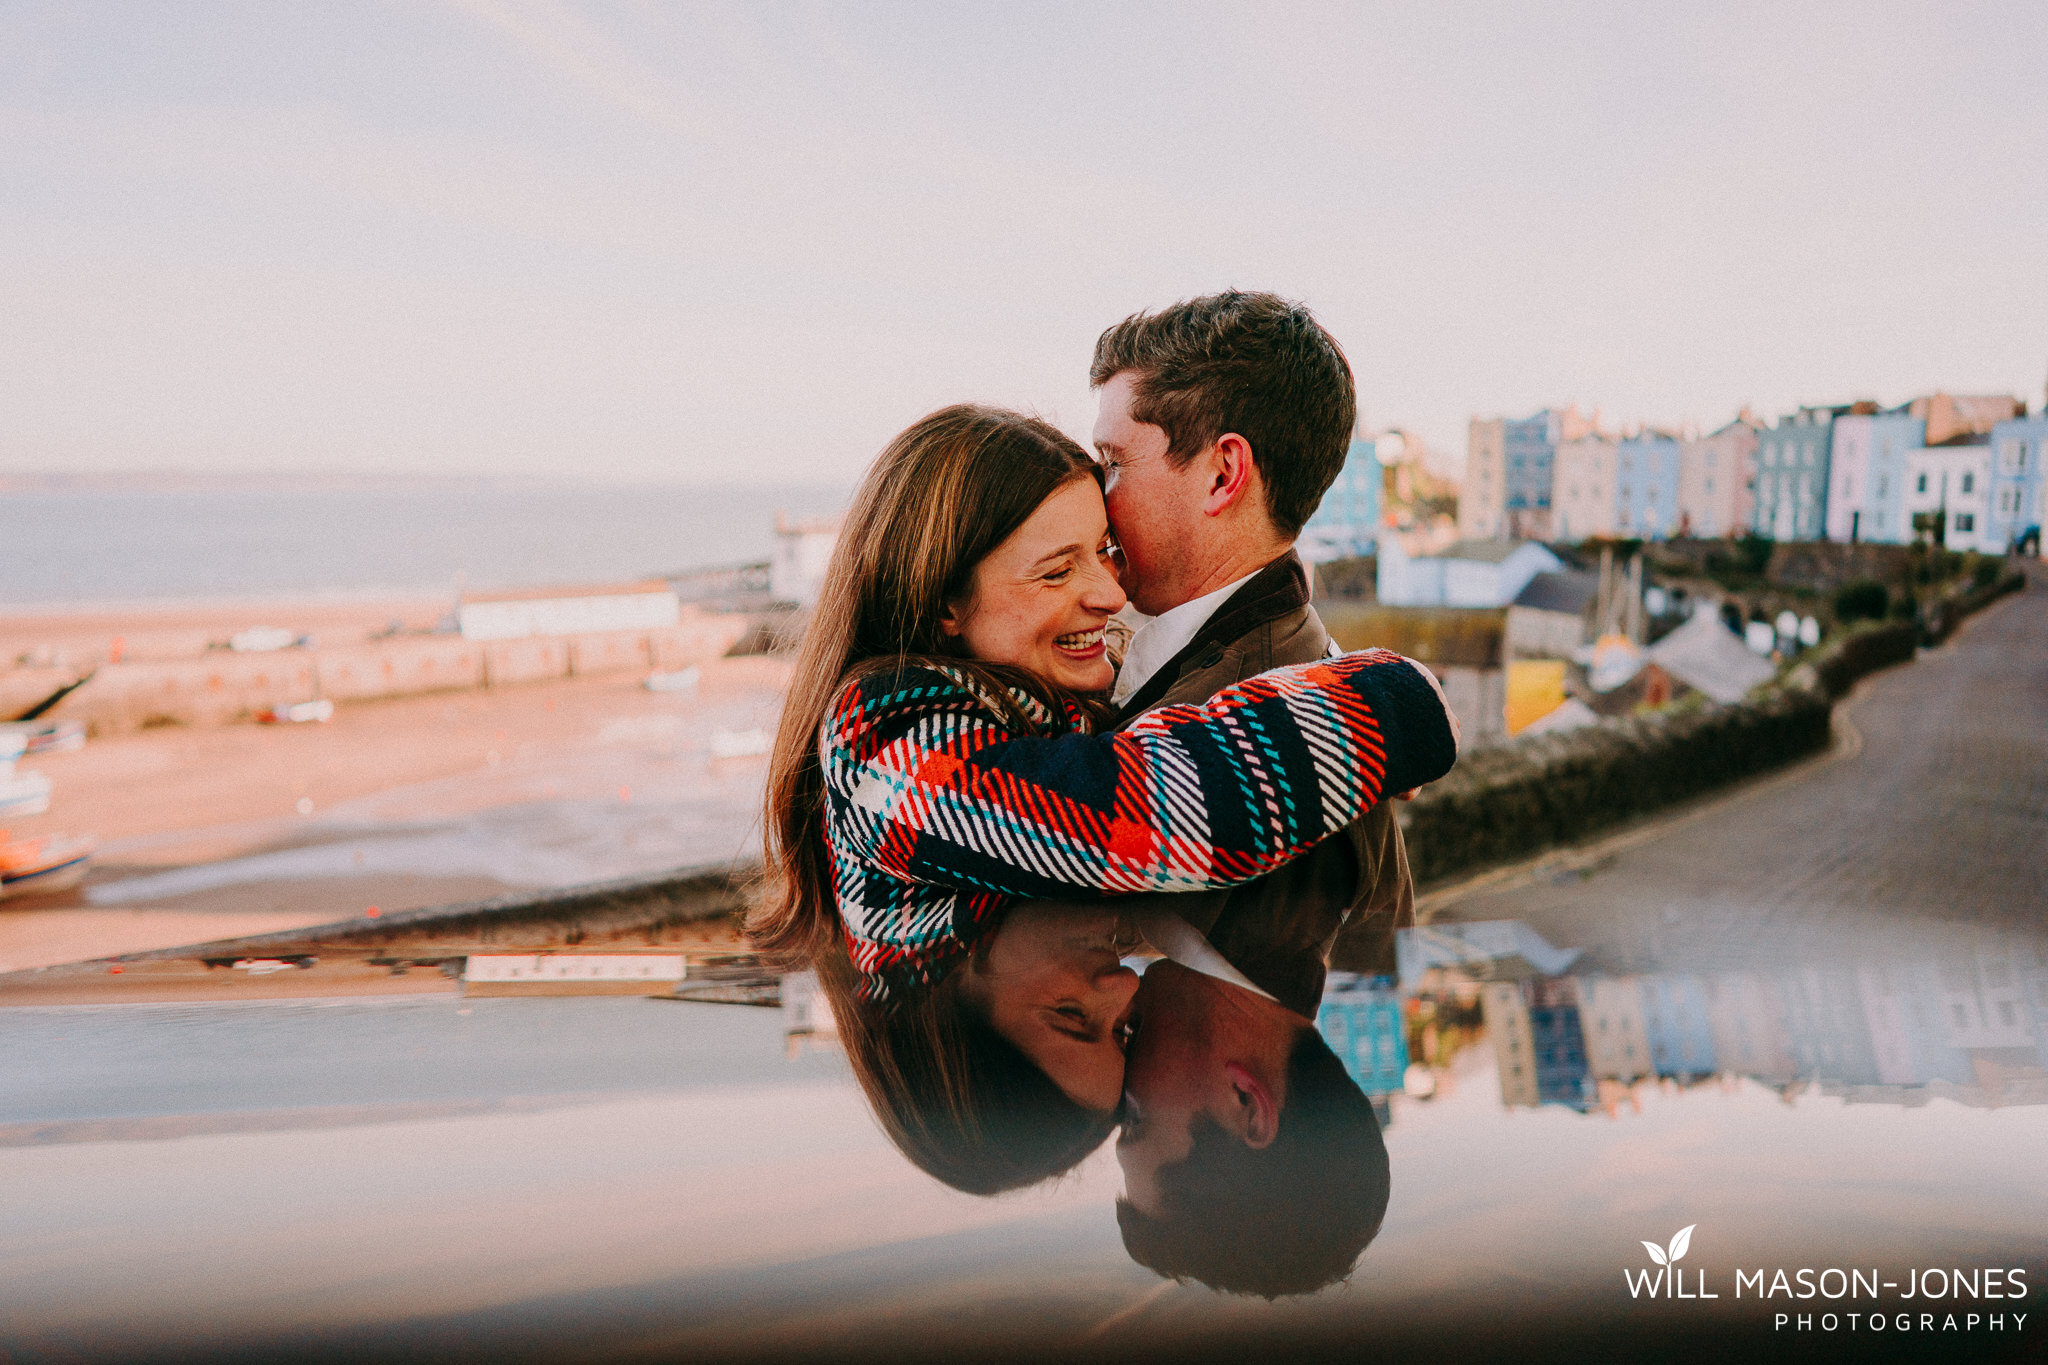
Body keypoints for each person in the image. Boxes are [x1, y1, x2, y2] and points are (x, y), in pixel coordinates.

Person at [750, 402, 1457, 1195]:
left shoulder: (962, 733)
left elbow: (1153, 795)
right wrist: (1406, 698)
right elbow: (1171, 808)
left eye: (1102, 553)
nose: (1110, 594)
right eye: (1059, 571)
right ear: (943, 603)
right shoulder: (888, 749)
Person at [1087, 290, 1425, 1293]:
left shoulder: (1250, 734)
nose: (1085, 498)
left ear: (1221, 472)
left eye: (1109, 464)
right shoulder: (1243, 681)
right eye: (1134, 1121)